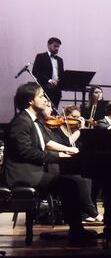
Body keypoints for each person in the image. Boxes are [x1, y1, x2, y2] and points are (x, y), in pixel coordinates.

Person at [4, 82, 97, 245]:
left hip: (34, 171)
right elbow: (25, 152)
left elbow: (46, 142)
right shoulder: (21, 122)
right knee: (70, 184)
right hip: (24, 174)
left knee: (73, 181)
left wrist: (69, 150)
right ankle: (77, 231)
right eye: (40, 96)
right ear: (30, 101)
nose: (45, 99)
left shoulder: (34, 121)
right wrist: (58, 157)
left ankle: (77, 229)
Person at [31, 37, 64, 108]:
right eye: (55, 46)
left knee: (54, 111)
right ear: (49, 45)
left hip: (57, 90)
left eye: (58, 47)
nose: (57, 48)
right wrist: (49, 80)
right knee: (44, 111)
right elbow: (35, 72)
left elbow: (61, 74)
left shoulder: (60, 60)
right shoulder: (41, 56)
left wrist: (60, 81)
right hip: (45, 89)